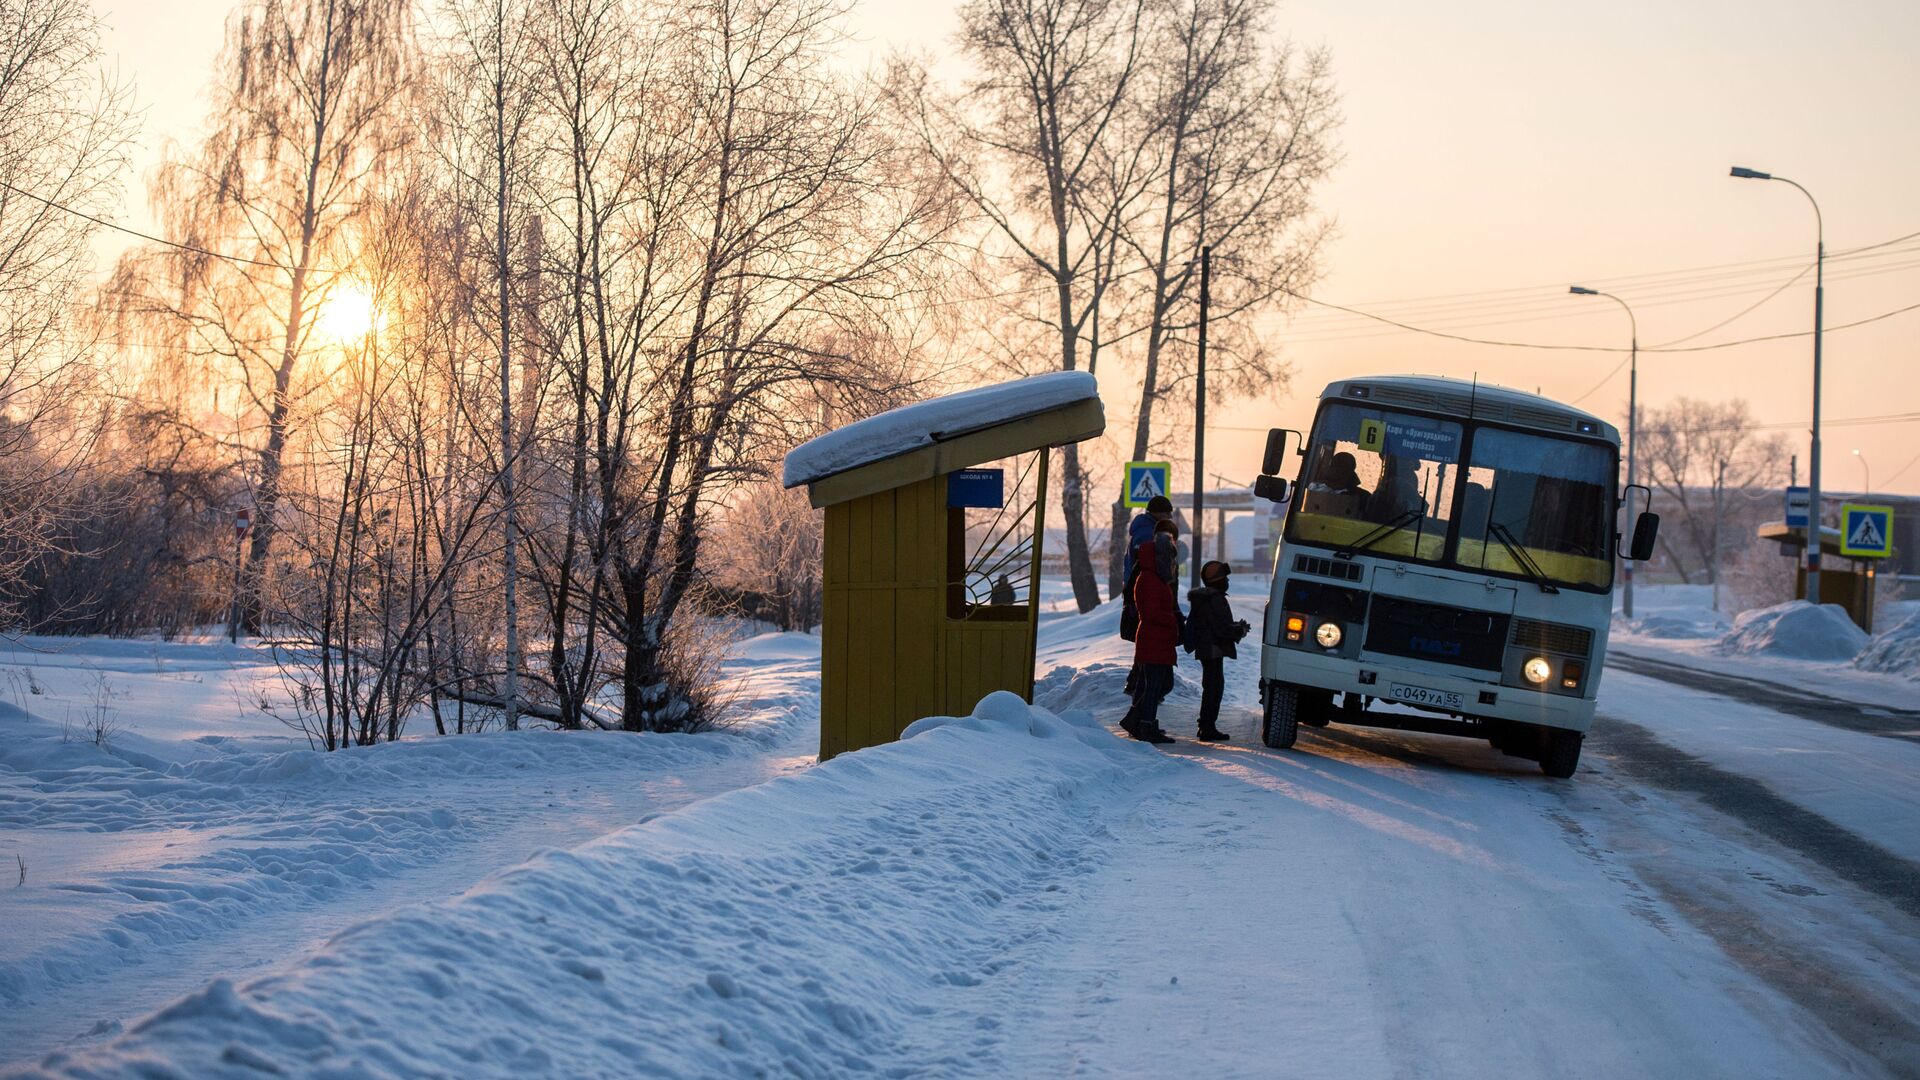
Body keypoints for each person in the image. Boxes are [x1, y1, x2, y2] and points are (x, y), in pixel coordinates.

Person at [1121, 518, 1181, 745]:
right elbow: (1150, 612)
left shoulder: (1156, 578)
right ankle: (1144, 724)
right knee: (1154, 685)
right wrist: (1172, 619)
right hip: (1153, 639)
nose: (1173, 565)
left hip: (1159, 640)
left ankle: (1138, 720)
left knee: (1158, 685)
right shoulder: (1148, 579)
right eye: (1170, 560)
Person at [1186, 560, 1251, 742]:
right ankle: (1207, 727)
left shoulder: (1207, 598)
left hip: (1207, 649)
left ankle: (1206, 725)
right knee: (1214, 689)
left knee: (1211, 688)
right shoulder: (1215, 599)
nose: (1228, 582)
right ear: (1218, 580)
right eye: (1225, 578)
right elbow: (1221, 629)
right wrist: (1240, 630)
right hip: (1213, 649)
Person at [1120, 494, 1175, 695]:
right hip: (1143, 595)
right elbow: (1144, 565)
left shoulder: (1145, 530)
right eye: (1167, 512)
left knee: (1147, 643)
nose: (1170, 516)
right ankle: (1140, 687)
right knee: (1149, 643)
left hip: (1140, 594)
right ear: (1157, 512)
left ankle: (1138, 684)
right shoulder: (1146, 534)